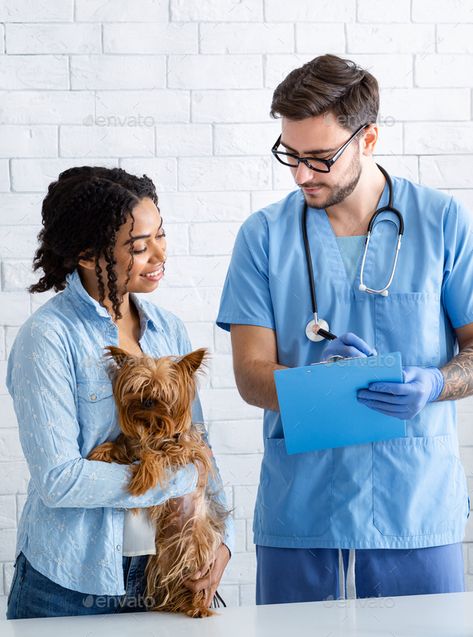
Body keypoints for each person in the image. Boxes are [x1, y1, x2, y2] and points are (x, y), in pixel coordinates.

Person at [216, 54, 472, 604]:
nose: (302, 174)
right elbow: (250, 374)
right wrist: (325, 391)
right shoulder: (263, 236)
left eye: (319, 158)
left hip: (415, 504)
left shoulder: (443, 223)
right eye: (290, 155)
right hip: (303, 506)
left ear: (368, 138)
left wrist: (433, 382)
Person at [6, 166, 233, 619]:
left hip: (161, 569)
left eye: (161, 236)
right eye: (139, 247)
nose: (159, 255)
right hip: (71, 580)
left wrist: (220, 539)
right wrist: (179, 479)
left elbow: (198, 440)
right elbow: (59, 479)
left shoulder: (168, 329)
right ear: (89, 256)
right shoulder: (47, 339)